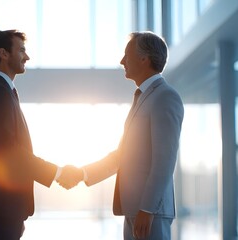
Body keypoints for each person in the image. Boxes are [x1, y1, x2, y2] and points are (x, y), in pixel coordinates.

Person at [58, 31, 184, 240]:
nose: (122, 61)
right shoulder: (144, 97)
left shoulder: (165, 97)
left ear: (144, 59)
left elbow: (165, 160)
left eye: (127, 55)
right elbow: (122, 155)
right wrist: (82, 174)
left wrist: (148, 209)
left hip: (149, 213)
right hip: (135, 210)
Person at [0, 29, 72, 240]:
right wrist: (57, 172)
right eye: (22, 50)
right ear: (4, 53)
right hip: (2, 205)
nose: (27, 57)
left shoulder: (3, 92)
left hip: (6, 206)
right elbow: (11, 152)